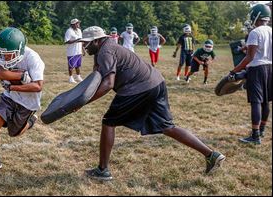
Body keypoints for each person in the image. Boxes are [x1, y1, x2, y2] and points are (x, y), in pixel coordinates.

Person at [78, 26, 225, 181]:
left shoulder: (105, 51)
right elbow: (97, 74)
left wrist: (83, 101)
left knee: (108, 122)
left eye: (87, 43)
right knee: (167, 126)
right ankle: (211, 155)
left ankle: (102, 171)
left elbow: (108, 83)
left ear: (96, 41)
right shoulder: (108, 46)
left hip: (138, 88)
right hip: (156, 82)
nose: (84, 47)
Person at [0, 27, 45, 177]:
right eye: (2, 54)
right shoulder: (4, 54)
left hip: (27, 102)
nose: (5, 58)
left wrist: (13, 84)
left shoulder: (33, 58)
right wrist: (20, 76)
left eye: (8, 55)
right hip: (9, 97)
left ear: (19, 50)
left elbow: (38, 86)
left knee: (15, 133)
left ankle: (32, 120)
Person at [231, 4, 272, 144]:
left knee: (256, 102)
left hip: (257, 69)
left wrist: (234, 71)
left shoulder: (255, 32)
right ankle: (261, 130)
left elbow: (249, 57)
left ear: (256, 15)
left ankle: (255, 136)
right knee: (266, 101)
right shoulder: (271, 30)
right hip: (270, 68)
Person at [64, 18, 85, 83]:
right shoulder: (69, 31)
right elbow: (66, 41)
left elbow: (81, 41)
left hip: (78, 51)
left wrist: (83, 49)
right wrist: (76, 40)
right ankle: (70, 78)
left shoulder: (79, 30)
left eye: (78, 23)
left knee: (78, 65)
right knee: (71, 65)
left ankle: (78, 77)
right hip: (72, 51)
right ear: (73, 24)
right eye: (77, 23)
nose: (78, 24)